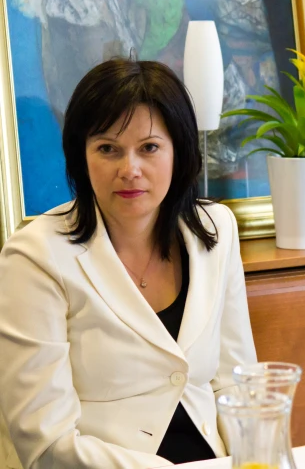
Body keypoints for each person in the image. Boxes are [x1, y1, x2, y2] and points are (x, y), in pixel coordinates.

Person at [0, 60, 257, 468]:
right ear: (81, 158)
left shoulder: (217, 229)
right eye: (107, 149)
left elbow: (240, 384)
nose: (129, 169)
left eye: (150, 147)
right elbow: (44, 441)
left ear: (180, 151)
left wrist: (257, 460)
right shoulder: (35, 257)